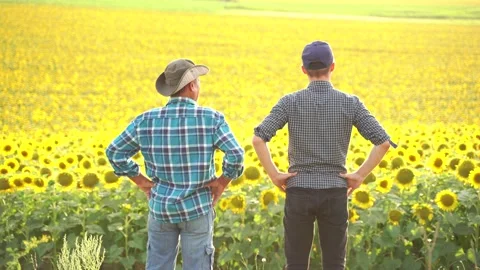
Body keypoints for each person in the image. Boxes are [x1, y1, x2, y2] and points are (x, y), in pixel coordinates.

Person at [252, 41, 395, 270]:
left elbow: (258, 139)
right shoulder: (351, 103)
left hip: (299, 189)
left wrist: (275, 175)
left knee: (296, 264)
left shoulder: (289, 102)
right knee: (335, 264)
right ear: (333, 67)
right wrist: (358, 175)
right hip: (335, 191)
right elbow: (384, 143)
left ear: (303, 70)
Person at [106, 59, 244, 270]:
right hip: (197, 208)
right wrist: (222, 182)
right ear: (191, 86)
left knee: (158, 265)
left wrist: (141, 181)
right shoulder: (211, 118)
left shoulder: (145, 120)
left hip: (161, 208)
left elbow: (114, 152)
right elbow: (235, 153)